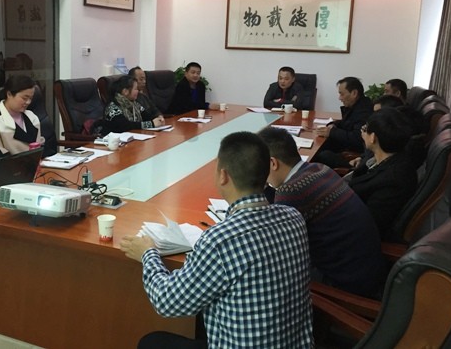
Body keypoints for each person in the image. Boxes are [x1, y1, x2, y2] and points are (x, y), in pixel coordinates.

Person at [120, 132, 313, 349]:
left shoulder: (220, 241)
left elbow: (167, 301)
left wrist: (148, 254)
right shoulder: (293, 217)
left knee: (151, 342)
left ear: (223, 176)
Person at [258, 127, 384, 297]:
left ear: (273, 163)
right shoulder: (319, 168)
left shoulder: (291, 192)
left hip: (346, 284)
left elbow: (275, 248)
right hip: (368, 267)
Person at [348, 108, 418, 239]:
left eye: (365, 129)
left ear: (373, 137)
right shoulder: (388, 157)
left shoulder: (394, 180)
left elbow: (367, 225)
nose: (362, 132)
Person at [0, 75, 44, 169]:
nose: (28, 102)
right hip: (4, 173)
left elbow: (38, 149)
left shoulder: (32, 118)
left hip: (32, 170)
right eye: (24, 98)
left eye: (30, 98)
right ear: (9, 94)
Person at [314, 76, 373, 168]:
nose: (339, 98)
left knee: (321, 155)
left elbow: (357, 138)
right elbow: (346, 122)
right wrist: (333, 124)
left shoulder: (364, 111)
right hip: (345, 145)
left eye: (342, 94)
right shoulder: (357, 105)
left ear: (354, 93)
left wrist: (332, 132)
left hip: (355, 152)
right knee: (319, 146)